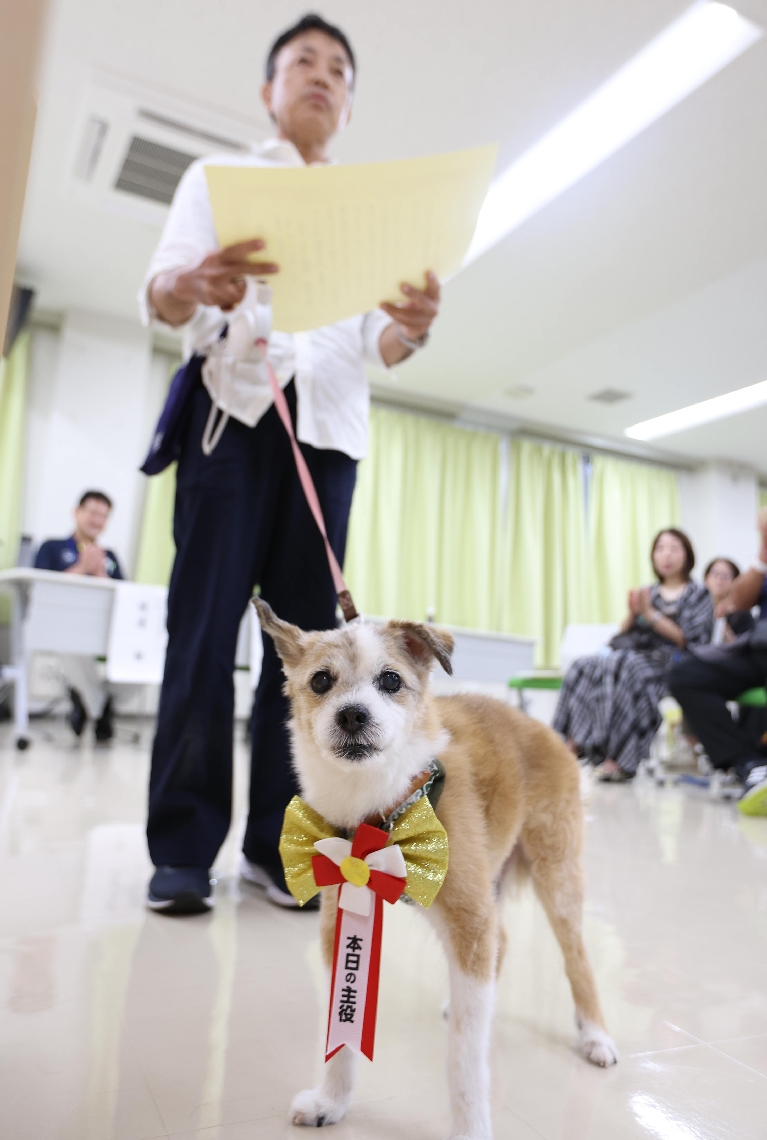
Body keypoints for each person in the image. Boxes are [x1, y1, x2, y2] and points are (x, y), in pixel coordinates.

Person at [140, 14, 441, 914]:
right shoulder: (217, 181)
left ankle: (282, 849)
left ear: (347, 105)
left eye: (338, 69)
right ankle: (183, 850)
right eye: (302, 62)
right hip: (231, 425)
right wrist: (194, 282)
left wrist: (415, 327)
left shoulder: (367, 209)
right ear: (269, 90)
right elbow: (161, 292)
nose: (322, 75)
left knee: (316, 659)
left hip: (330, 440)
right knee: (198, 643)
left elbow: (382, 341)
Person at [553, 529, 713, 782]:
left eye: (674, 548)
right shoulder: (649, 591)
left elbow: (687, 639)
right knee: (583, 665)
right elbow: (624, 633)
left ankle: (619, 756)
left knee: (623, 664)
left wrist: (650, 613)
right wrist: (632, 612)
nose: (666, 554)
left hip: (674, 661)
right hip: (635, 654)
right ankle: (569, 745)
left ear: (687, 555)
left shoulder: (698, 594)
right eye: (660, 548)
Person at [669, 513, 767, 815]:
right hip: (759, 648)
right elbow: (738, 600)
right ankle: (750, 765)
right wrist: (764, 551)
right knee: (685, 675)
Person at [34, 490, 123, 741]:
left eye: (103, 516)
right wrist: (83, 568)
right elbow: (41, 588)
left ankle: (87, 699)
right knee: (72, 648)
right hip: (65, 628)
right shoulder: (52, 548)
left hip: (104, 631)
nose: (97, 521)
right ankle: (101, 711)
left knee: (136, 665)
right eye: (93, 513)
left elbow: (123, 596)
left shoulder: (111, 559)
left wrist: (99, 573)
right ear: (77, 512)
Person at [703, 557, 754, 644]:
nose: (719, 579)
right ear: (706, 578)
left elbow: (741, 649)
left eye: (726, 576)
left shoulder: (742, 613)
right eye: (715, 574)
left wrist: (722, 623)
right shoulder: (700, 607)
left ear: (735, 581)